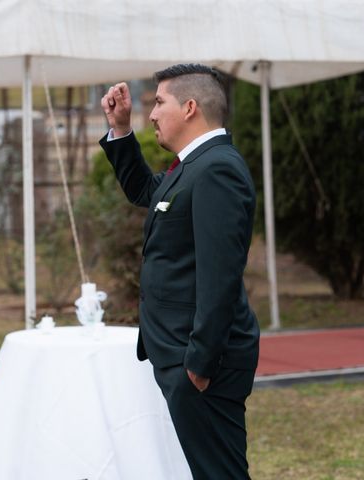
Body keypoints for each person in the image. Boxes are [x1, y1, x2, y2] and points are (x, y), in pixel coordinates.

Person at [99, 63, 260, 480]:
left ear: (190, 107)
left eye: (159, 103)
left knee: (219, 472)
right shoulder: (195, 166)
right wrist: (120, 130)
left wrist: (199, 365)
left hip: (201, 360)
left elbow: (219, 276)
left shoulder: (217, 170)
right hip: (181, 352)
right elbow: (146, 192)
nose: (151, 114)